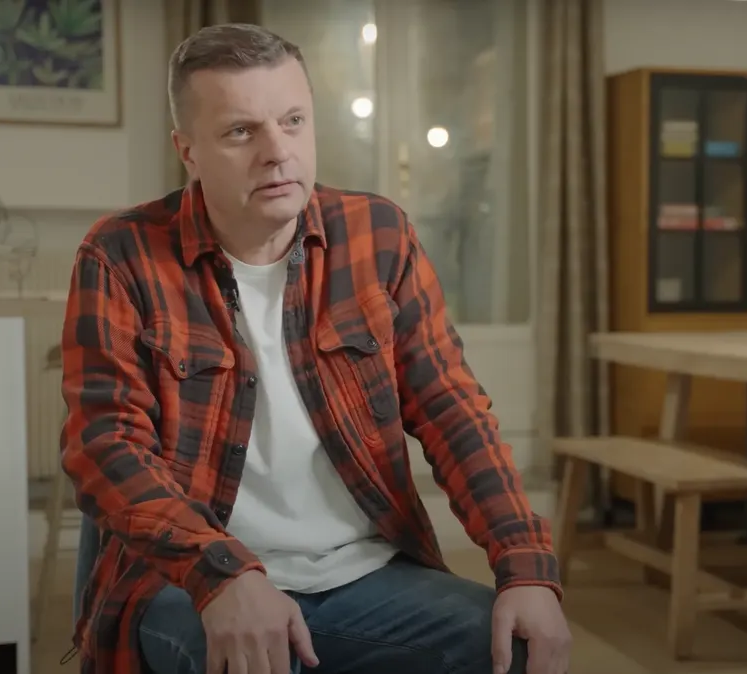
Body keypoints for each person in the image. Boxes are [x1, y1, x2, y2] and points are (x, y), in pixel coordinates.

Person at [59, 22, 571, 674]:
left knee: (515, 647)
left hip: (364, 571)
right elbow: (106, 445)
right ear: (187, 151)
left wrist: (525, 565)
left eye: (293, 121)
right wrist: (220, 572)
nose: (278, 152)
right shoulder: (121, 254)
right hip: (188, 579)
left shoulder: (378, 235)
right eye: (240, 131)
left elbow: (452, 410)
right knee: (253, 656)